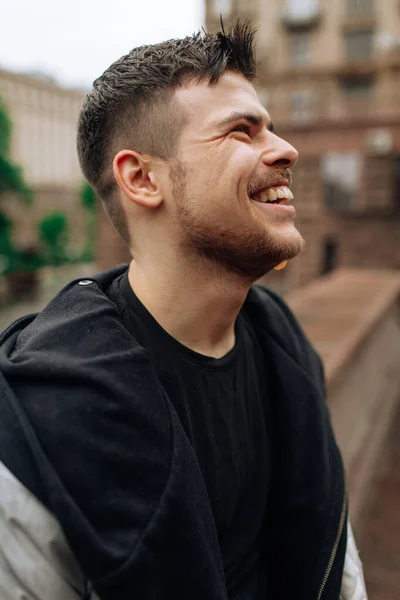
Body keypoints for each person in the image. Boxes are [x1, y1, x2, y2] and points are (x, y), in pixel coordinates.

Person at [0, 22, 367, 600]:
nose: (285, 148)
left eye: (269, 126)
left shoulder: (286, 348)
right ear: (142, 178)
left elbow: (335, 559)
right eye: (240, 132)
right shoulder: (38, 423)